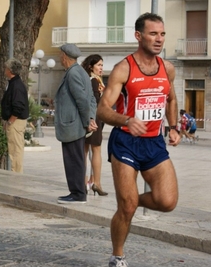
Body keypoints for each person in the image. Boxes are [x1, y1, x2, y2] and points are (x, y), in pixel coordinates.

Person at [97, 13, 180, 267]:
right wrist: (126, 120)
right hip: (125, 142)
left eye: (162, 34)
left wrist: (174, 127)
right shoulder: (124, 68)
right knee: (129, 206)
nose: (159, 39)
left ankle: (128, 202)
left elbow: (171, 99)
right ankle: (118, 256)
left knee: (167, 201)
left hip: (154, 142)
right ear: (138, 36)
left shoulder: (167, 68)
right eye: (153, 33)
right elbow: (102, 110)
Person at [54, 43, 98, 204]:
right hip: (76, 124)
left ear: (64, 56)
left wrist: (88, 121)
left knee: (73, 161)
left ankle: (78, 194)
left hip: (72, 125)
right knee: (77, 159)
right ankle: (77, 192)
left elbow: (82, 100)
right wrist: (91, 118)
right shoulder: (81, 72)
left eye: (60, 55)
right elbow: (91, 99)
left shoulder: (73, 74)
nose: (59, 57)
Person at [81, 54, 108, 196]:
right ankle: (95, 183)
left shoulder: (91, 80)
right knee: (95, 151)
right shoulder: (94, 82)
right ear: (91, 66)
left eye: (102, 65)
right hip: (94, 118)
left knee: (85, 151)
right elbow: (96, 102)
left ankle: (85, 182)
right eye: (98, 65)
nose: (101, 68)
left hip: (88, 118)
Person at [1, 58, 29, 173]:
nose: (4, 70)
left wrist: (10, 121)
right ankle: (15, 172)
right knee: (14, 149)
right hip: (14, 121)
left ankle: (16, 175)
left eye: (6, 68)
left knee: (16, 150)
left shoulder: (16, 85)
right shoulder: (14, 83)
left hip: (16, 122)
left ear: (10, 70)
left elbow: (18, 106)